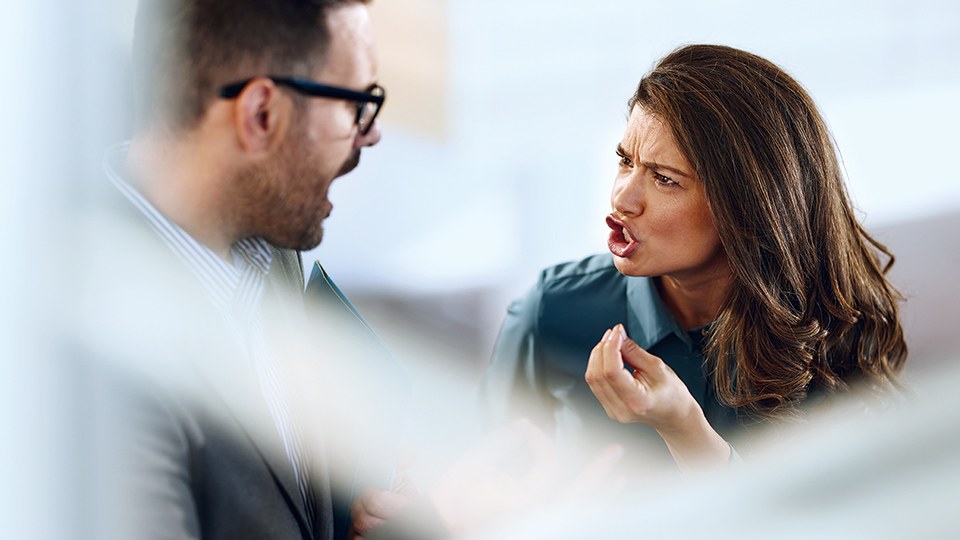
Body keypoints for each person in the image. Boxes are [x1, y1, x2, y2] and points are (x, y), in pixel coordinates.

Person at [482, 44, 908, 475]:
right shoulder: (552, 308)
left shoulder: (831, 341)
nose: (622, 198)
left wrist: (685, 429)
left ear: (748, 205)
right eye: (625, 161)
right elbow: (482, 486)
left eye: (665, 179)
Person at [71, 1, 402, 538]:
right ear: (260, 115)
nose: (371, 135)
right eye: (356, 106)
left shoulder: (271, 248)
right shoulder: (97, 357)